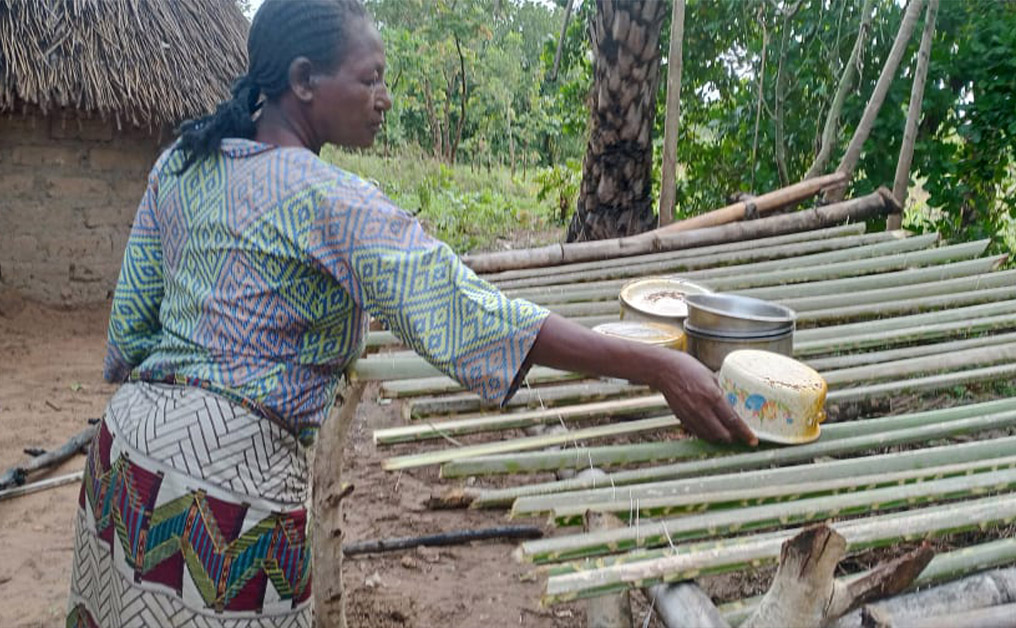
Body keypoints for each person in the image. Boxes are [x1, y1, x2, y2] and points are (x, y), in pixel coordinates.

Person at [66, 0, 754, 625]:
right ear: (304, 81)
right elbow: (468, 315)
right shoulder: (333, 201)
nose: (385, 98)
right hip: (221, 492)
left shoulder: (183, 166)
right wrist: (660, 365)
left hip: (122, 469)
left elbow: (129, 330)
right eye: (370, 80)